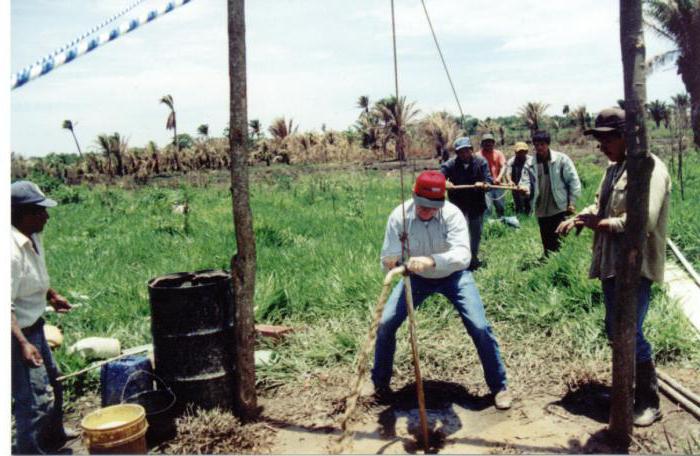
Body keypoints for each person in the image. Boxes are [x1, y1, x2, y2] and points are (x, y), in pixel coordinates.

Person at [556, 107, 670, 427]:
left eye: (606, 139)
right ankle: (625, 390)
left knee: (629, 330)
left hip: (636, 266)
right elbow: (600, 204)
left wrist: (601, 223)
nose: (601, 146)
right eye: (599, 140)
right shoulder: (613, 169)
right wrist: (581, 217)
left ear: (625, 137)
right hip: (611, 264)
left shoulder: (649, 168)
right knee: (615, 329)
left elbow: (642, 222)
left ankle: (648, 401)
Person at [370, 170, 512, 410]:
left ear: (441, 202)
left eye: (432, 207)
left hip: (454, 276)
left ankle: (499, 387)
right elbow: (387, 256)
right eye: (422, 206)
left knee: (479, 326)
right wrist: (397, 263)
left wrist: (431, 260)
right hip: (416, 278)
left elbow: (463, 256)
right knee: (386, 323)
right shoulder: (398, 216)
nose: (426, 211)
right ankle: (378, 383)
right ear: (414, 197)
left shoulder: (453, 215)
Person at [11, 180, 78, 454]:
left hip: (34, 327)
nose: (46, 216)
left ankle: (55, 436)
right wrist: (23, 344)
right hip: (16, 334)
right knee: (33, 400)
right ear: (22, 214)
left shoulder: (33, 237)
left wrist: (51, 295)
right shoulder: (10, 253)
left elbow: (32, 276)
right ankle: (30, 450)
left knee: (55, 380)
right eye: (40, 211)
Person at [519, 130, 581, 256]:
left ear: (548, 144)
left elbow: (573, 181)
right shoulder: (530, 163)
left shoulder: (562, 159)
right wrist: (524, 189)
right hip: (541, 206)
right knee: (546, 236)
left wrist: (572, 202)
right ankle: (548, 261)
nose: (539, 147)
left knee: (560, 236)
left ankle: (561, 262)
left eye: (542, 144)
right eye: (536, 145)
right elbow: (524, 181)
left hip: (559, 204)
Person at [440, 137, 492, 270]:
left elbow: (489, 180)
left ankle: (473, 258)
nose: (464, 154)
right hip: (458, 203)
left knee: (476, 232)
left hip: (476, 202)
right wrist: (444, 183)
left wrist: (484, 184)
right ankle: (459, 259)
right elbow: (439, 177)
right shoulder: (451, 164)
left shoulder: (481, 162)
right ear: (457, 153)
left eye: (466, 151)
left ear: (471, 150)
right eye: (461, 152)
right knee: (458, 232)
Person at [477, 133, 507, 217]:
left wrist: (499, 178)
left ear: (493, 143)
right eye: (486, 142)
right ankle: (488, 227)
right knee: (487, 208)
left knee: (500, 207)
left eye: (490, 142)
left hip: (498, 185)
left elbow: (504, 166)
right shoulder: (478, 155)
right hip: (485, 186)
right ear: (482, 144)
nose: (488, 144)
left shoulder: (498, 153)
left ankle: (501, 223)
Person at [504, 142, 535, 215]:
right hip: (516, 184)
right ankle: (519, 216)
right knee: (518, 201)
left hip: (529, 184)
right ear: (515, 152)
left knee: (530, 200)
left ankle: (530, 215)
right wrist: (509, 181)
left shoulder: (531, 160)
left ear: (526, 152)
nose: (521, 154)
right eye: (519, 152)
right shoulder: (512, 161)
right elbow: (508, 173)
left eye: (523, 152)